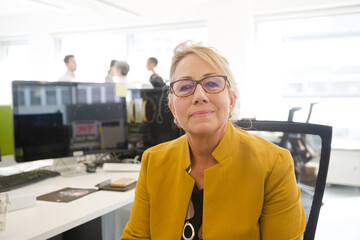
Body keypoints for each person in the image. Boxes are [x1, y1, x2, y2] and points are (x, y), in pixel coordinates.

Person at [120, 41, 306, 239]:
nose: (199, 96)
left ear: (231, 101)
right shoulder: (153, 161)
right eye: (185, 87)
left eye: (212, 84)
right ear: (173, 109)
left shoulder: (274, 163)